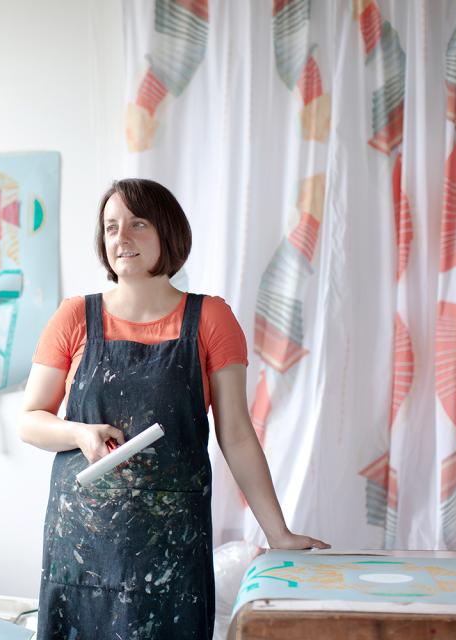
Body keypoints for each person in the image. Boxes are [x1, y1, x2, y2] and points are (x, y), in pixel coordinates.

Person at [18, 178, 329, 640]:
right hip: (82, 546)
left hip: (172, 547)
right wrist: (80, 434)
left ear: (169, 232)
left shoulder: (210, 319)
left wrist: (277, 532)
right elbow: (30, 421)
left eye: (137, 224)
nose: (121, 239)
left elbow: (237, 434)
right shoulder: (73, 317)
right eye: (110, 228)